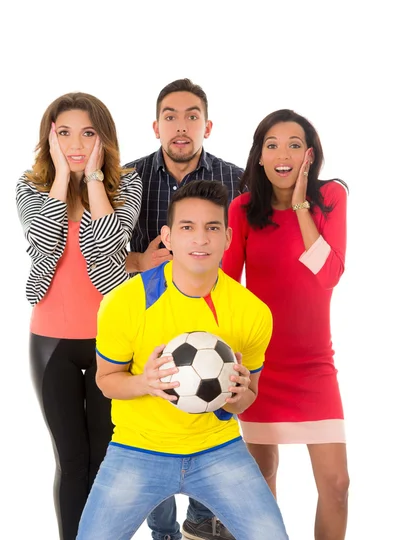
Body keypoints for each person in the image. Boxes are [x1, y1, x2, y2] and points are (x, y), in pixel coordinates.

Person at [76, 180, 289, 540]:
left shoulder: (253, 313)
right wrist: (143, 382)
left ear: (227, 237)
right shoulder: (124, 302)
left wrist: (239, 395)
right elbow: (105, 380)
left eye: (212, 228)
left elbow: (250, 394)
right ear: (169, 237)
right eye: (187, 228)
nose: (200, 239)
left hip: (217, 449)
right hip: (138, 448)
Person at [16, 92, 143, 540]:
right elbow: (44, 243)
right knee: (70, 460)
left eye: (88, 133)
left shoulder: (125, 187)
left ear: (103, 139)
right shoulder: (29, 188)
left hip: (112, 342)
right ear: (48, 139)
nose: (75, 142)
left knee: (106, 456)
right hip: (51, 343)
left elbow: (107, 251)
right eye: (63, 133)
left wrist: (91, 178)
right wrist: (59, 180)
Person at [124, 78, 244, 540]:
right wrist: (141, 261)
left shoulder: (234, 179)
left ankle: (199, 520)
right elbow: (108, 253)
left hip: (212, 318)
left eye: (191, 115)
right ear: (156, 125)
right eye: (170, 116)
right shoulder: (129, 178)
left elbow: (242, 247)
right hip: (149, 320)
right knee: (152, 421)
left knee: (208, 412)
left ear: (207, 125)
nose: (181, 126)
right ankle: (162, 528)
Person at [222, 109, 349, 540]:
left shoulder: (331, 197)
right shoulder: (242, 208)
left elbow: (328, 273)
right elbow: (225, 285)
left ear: (309, 155)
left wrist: (299, 207)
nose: (283, 153)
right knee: (262, 479)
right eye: (272, 144)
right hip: (261, 365)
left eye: (295, 145)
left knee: (337, 484)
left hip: (315, 366)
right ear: (258, 156)